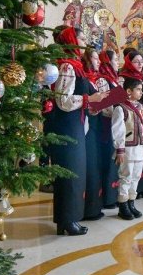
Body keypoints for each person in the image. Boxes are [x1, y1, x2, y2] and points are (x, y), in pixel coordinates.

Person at [45, 28, 108, 235]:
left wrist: (99, 100)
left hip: (76, 125)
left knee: (76, 173)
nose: (84, 42)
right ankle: (66, 220)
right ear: (71, 40)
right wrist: (91, 99)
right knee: (69, 173)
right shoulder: (66, 66)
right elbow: (63, 101)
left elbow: (82, 100)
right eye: (81, 38)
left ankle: (70, 218)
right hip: (65, 127)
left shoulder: (76, 66)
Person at [111, 77, 143, 221]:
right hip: (127, 149)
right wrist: (120, 149)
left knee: (136, 176)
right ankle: (123, 205)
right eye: (138, 89)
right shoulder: (120, 108)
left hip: (139, 148)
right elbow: (118, 130)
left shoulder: (141, 108)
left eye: (141, 89)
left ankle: (131, 203)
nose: (141, 92)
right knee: (126, 176)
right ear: (129, 91)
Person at [119, 52, 143, 198]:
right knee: (128, 164)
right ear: (128, 62)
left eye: (142, 61)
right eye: (136, 61)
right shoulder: (123, 77)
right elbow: (118, 98)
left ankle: (140, 188)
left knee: (141, 156)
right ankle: (125, 197)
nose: (140, 64)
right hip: (128, 118)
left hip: (141, 116)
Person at [81, 48, 109, 222]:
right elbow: (87, 106)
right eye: (95, 58)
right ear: (87, 60)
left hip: (96, 127)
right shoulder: (84, 79)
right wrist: (97, 101)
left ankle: (94, 207)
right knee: (90, 168)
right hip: (88, 129)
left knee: (95, 167)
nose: (99, 62)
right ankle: (88, 209)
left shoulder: (94, 80)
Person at [96, 50, 123, 210]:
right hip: (105, 126)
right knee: (106, 160)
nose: (118, 62)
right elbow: (103, 106)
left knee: (113, 162)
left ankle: (112, 196)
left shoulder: (113, 79)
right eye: (116, 59)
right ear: (107, 62)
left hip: (114, 125)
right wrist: (119, 107)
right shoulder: (102, 80)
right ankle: (106, 197)